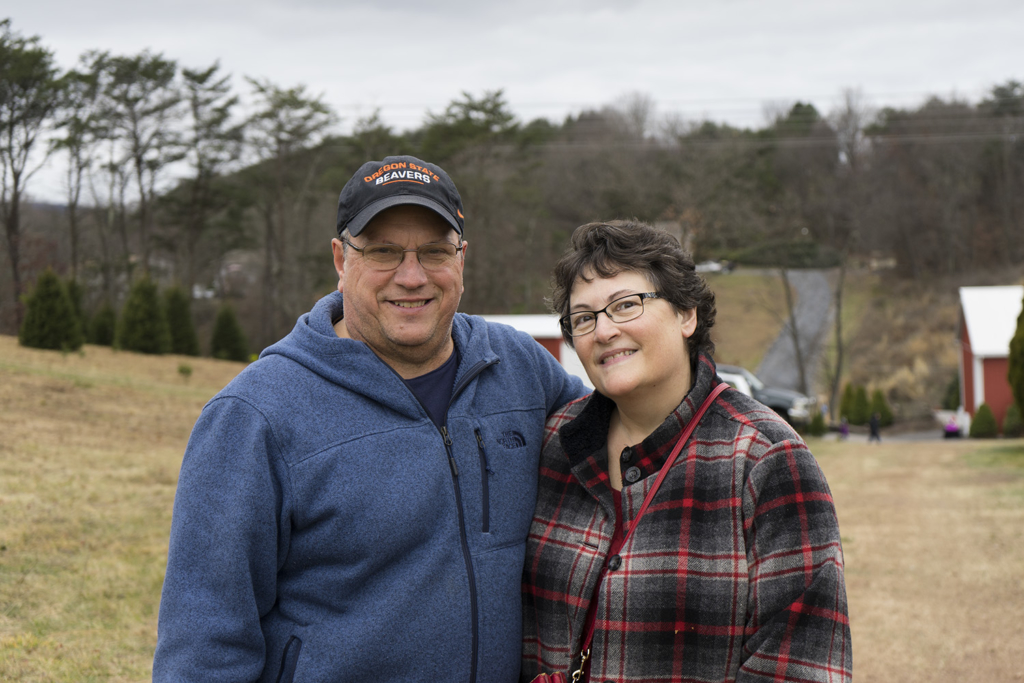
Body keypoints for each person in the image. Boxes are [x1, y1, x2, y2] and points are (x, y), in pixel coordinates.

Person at [153, 155, 587, 683]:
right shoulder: (253, 418)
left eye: (434, 251)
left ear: (462, 257)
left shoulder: (520, 370)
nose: (412, 276)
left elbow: (623, 438)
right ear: (341, 258)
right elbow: (204, 645)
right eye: (383, 251)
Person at [521, 220, 851, 682]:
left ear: (686, 315)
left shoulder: (765, 459)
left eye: (625, 305)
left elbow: (801, 666)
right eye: (583, 318)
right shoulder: (555, 444)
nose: (604, 330)